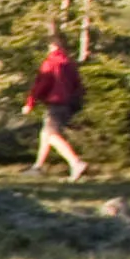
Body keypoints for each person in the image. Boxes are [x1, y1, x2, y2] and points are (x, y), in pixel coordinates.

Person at [25, 37, 89, 179]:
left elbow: (42, 84)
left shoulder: (50, 63)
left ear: (52, 47)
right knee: (45, 134)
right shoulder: (69, 64)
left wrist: (30, 103)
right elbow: (78, 85)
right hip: (68, 104)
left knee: (52, 137)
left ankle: (76, 162)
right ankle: (38, 167)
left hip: (55, 104)